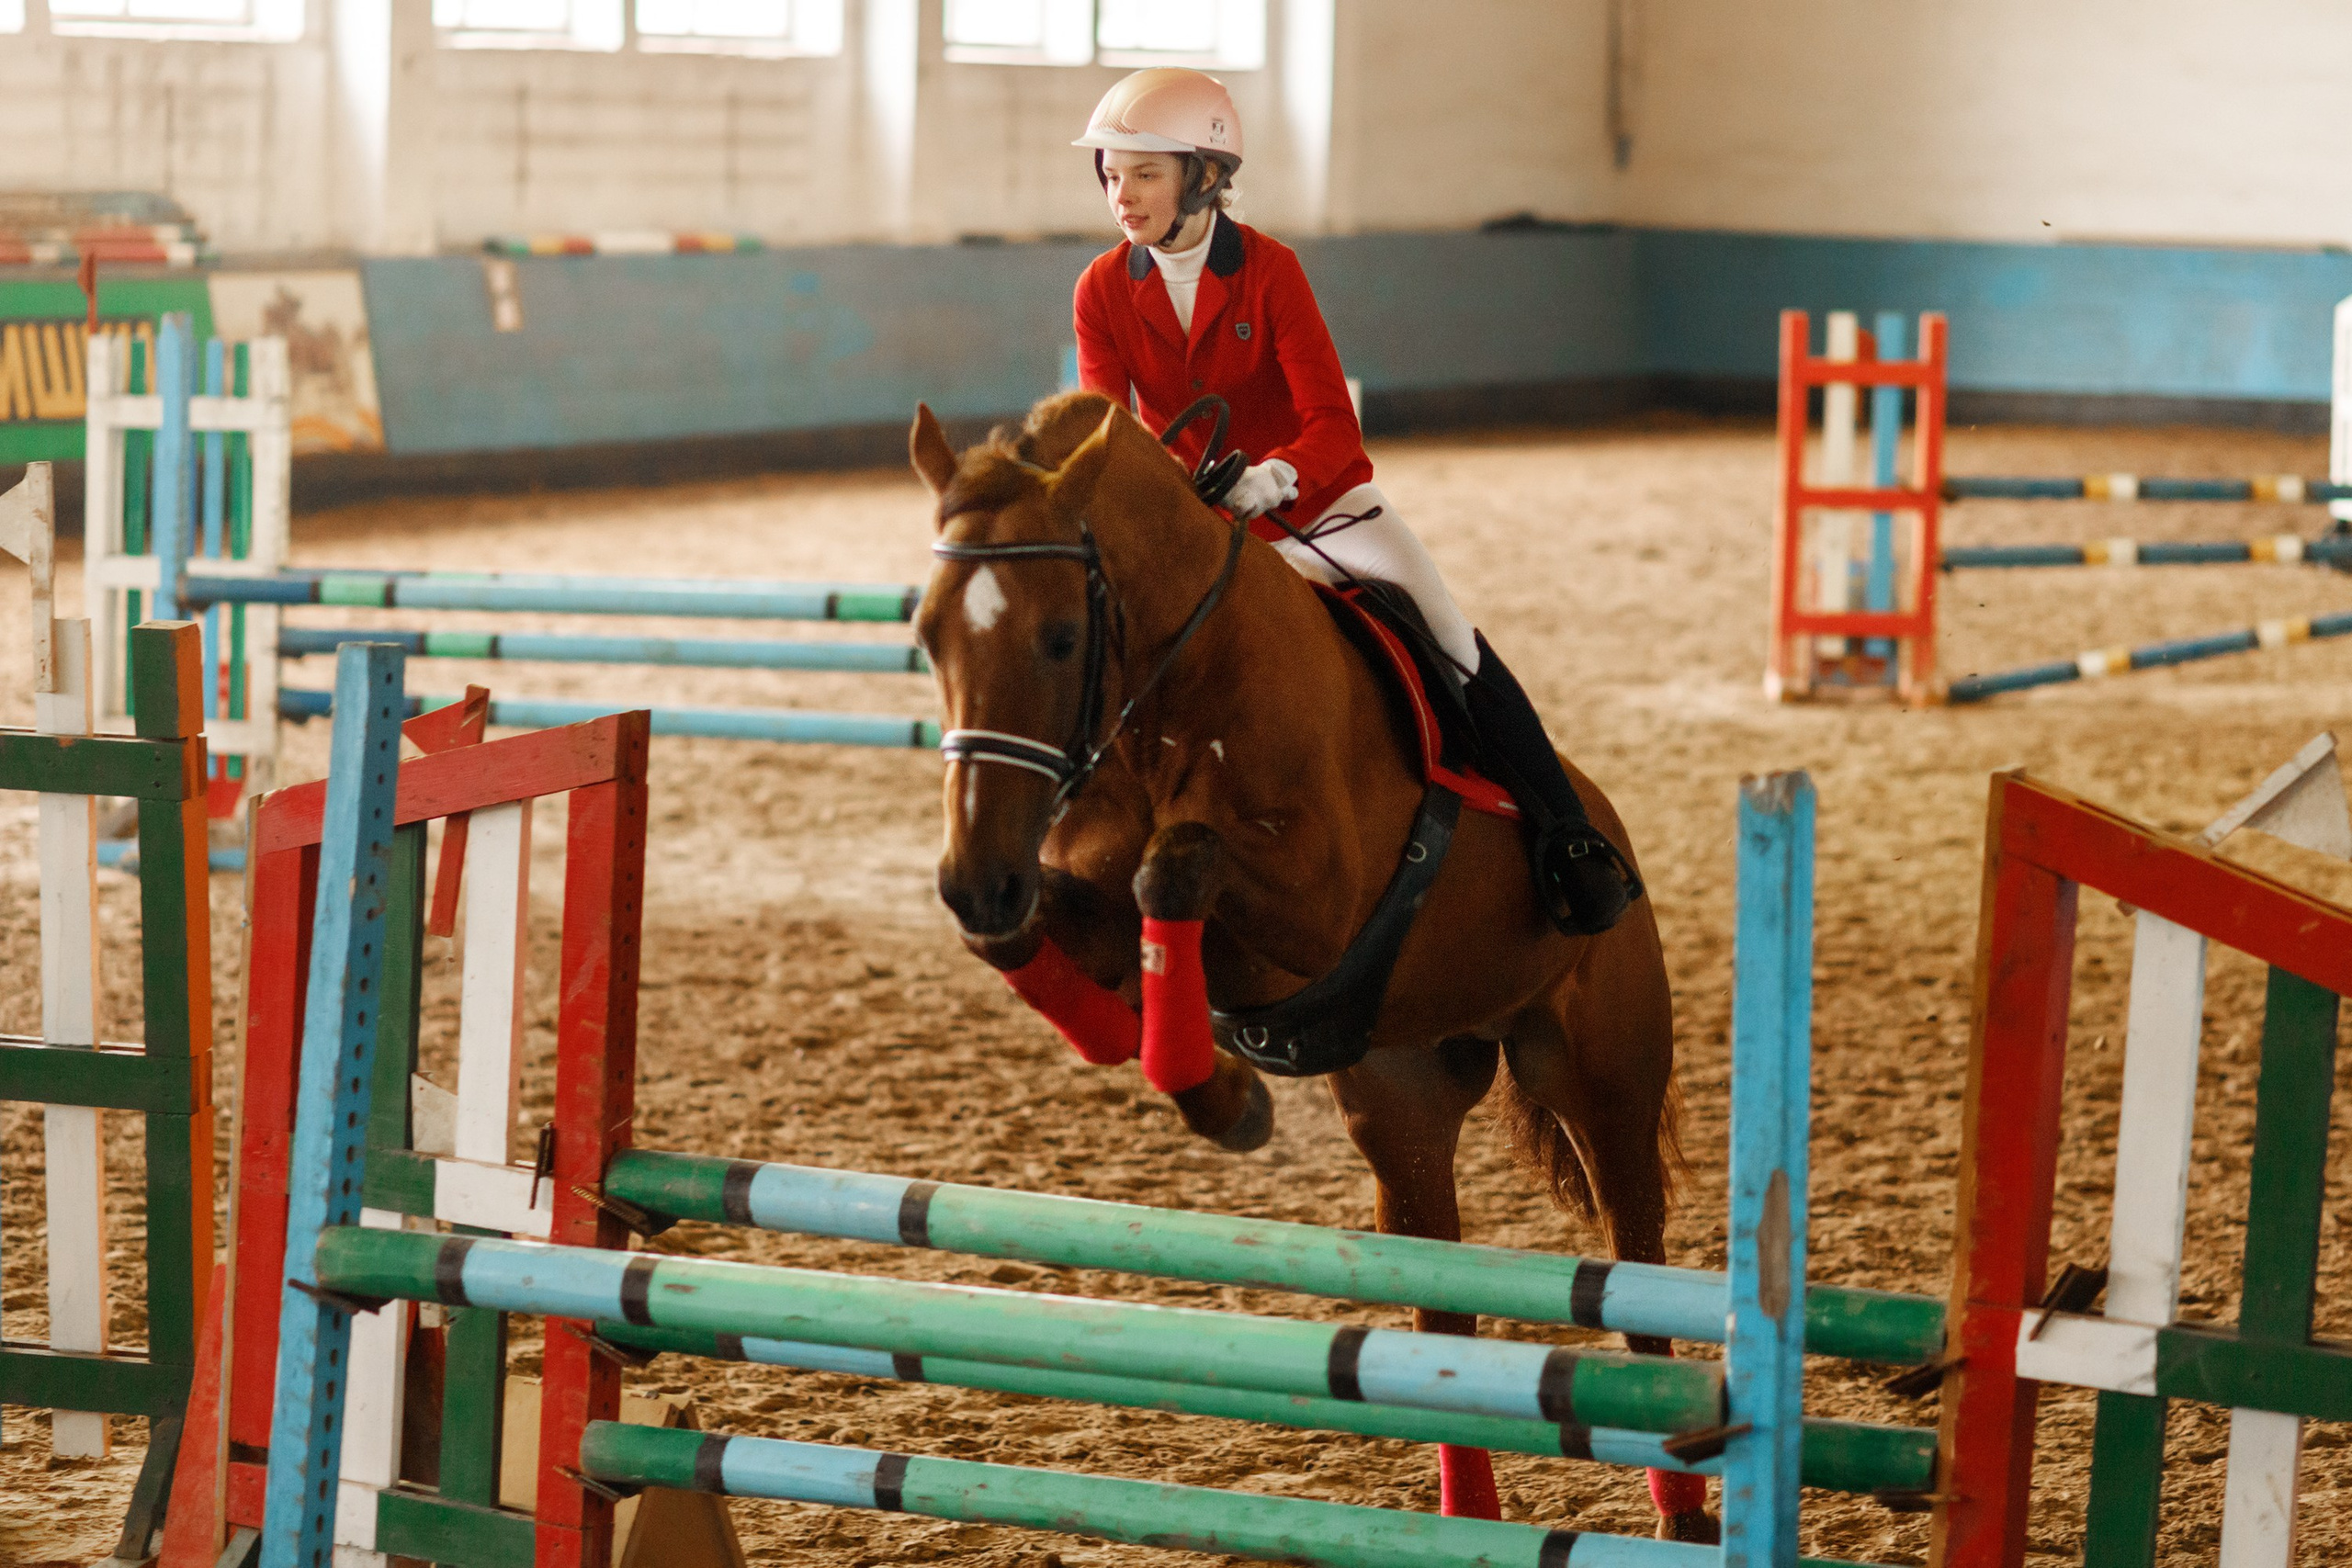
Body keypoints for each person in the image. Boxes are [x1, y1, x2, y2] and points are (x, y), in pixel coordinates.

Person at [1069, 67, 1641, 937]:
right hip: (1208, 531)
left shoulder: (1271, 273)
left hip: (1324, 509)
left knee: (1449, 635)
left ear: (1204, 174)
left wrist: (1275, 478)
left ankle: (1567, 836)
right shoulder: (1101, 289)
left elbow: (1334, 425)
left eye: (1145, 172)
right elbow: (1116, 439)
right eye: (1112, 173)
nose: (1123, 193)